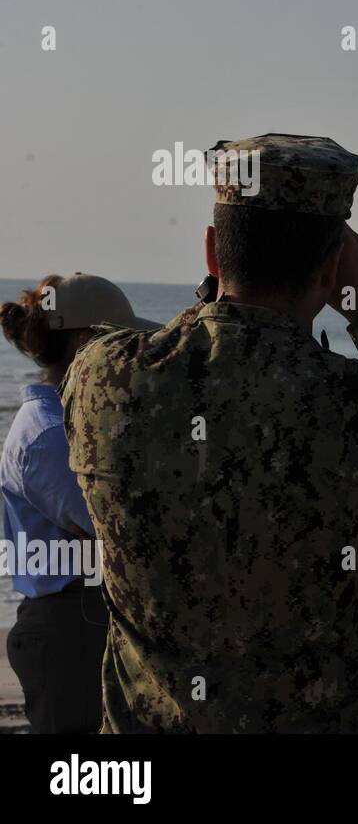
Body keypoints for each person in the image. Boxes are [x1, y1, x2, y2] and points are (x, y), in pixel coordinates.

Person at [62, 133, 358, 733]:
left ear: (210, 252)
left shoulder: (101, 378)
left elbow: (195, 363)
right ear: (331, 270)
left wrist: (214, 299)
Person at [1, 273, 159, 732]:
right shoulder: (50, 435)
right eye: (123, 344)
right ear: (87, 342)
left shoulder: (69, 423)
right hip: (68, 628)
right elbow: (116, 529)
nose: (132, 358)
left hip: (82, 620)